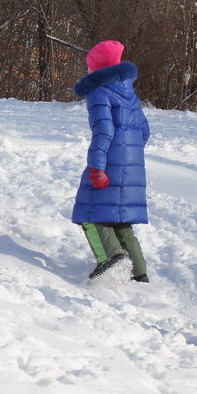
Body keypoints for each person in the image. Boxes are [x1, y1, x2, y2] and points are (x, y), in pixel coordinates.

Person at [71, 40, 151, 282]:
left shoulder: (98, 91)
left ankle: (110, 258)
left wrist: (97, 166)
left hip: (108, 162)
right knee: (119, 218)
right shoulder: (128, 90)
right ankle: (138, 272)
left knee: (90, 212)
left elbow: (103, 132)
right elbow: (144, 131)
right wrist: (130, 155)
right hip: (132, 166)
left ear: (96, 68)